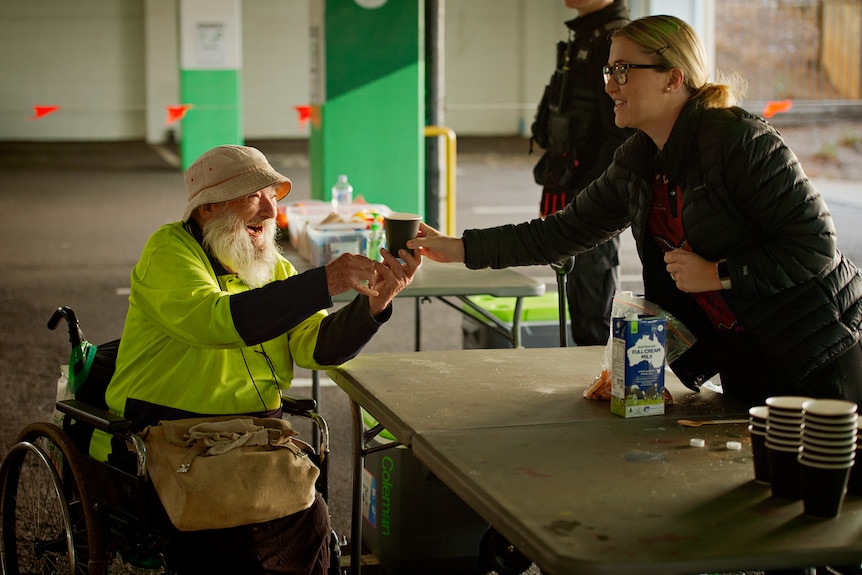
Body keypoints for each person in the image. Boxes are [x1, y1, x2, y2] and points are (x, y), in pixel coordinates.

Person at [408, 15, 862, 410]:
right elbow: (564, 231)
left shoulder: (741, 142)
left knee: (835, 499)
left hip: (819, 353)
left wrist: (718, 273)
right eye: (609, 70)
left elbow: (815, 246)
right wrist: (462, 247)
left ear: (673, 78)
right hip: (746, 359)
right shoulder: (637, 160)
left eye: (623, 70)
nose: (609, 85)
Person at [94, 144, 420, 574]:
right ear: (207, 208)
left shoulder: (272, 266)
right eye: (253, 195)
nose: (270, 210)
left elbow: (315, 346)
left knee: (312, 519)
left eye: (273, 195)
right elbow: (217, 322)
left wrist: (374, 307)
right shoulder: (168, 252)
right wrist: (322, 282)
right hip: (174, 434)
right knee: (243, 534)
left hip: (255, 439)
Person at [530, 0, 631, 346]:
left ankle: (604, 377)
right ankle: (592, 374)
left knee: (591, 294)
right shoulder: (585, 36)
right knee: (576, 283)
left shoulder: (615, 39)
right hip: (568, 179)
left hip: (592, 187)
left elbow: (620, 132)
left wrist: (595, 191)